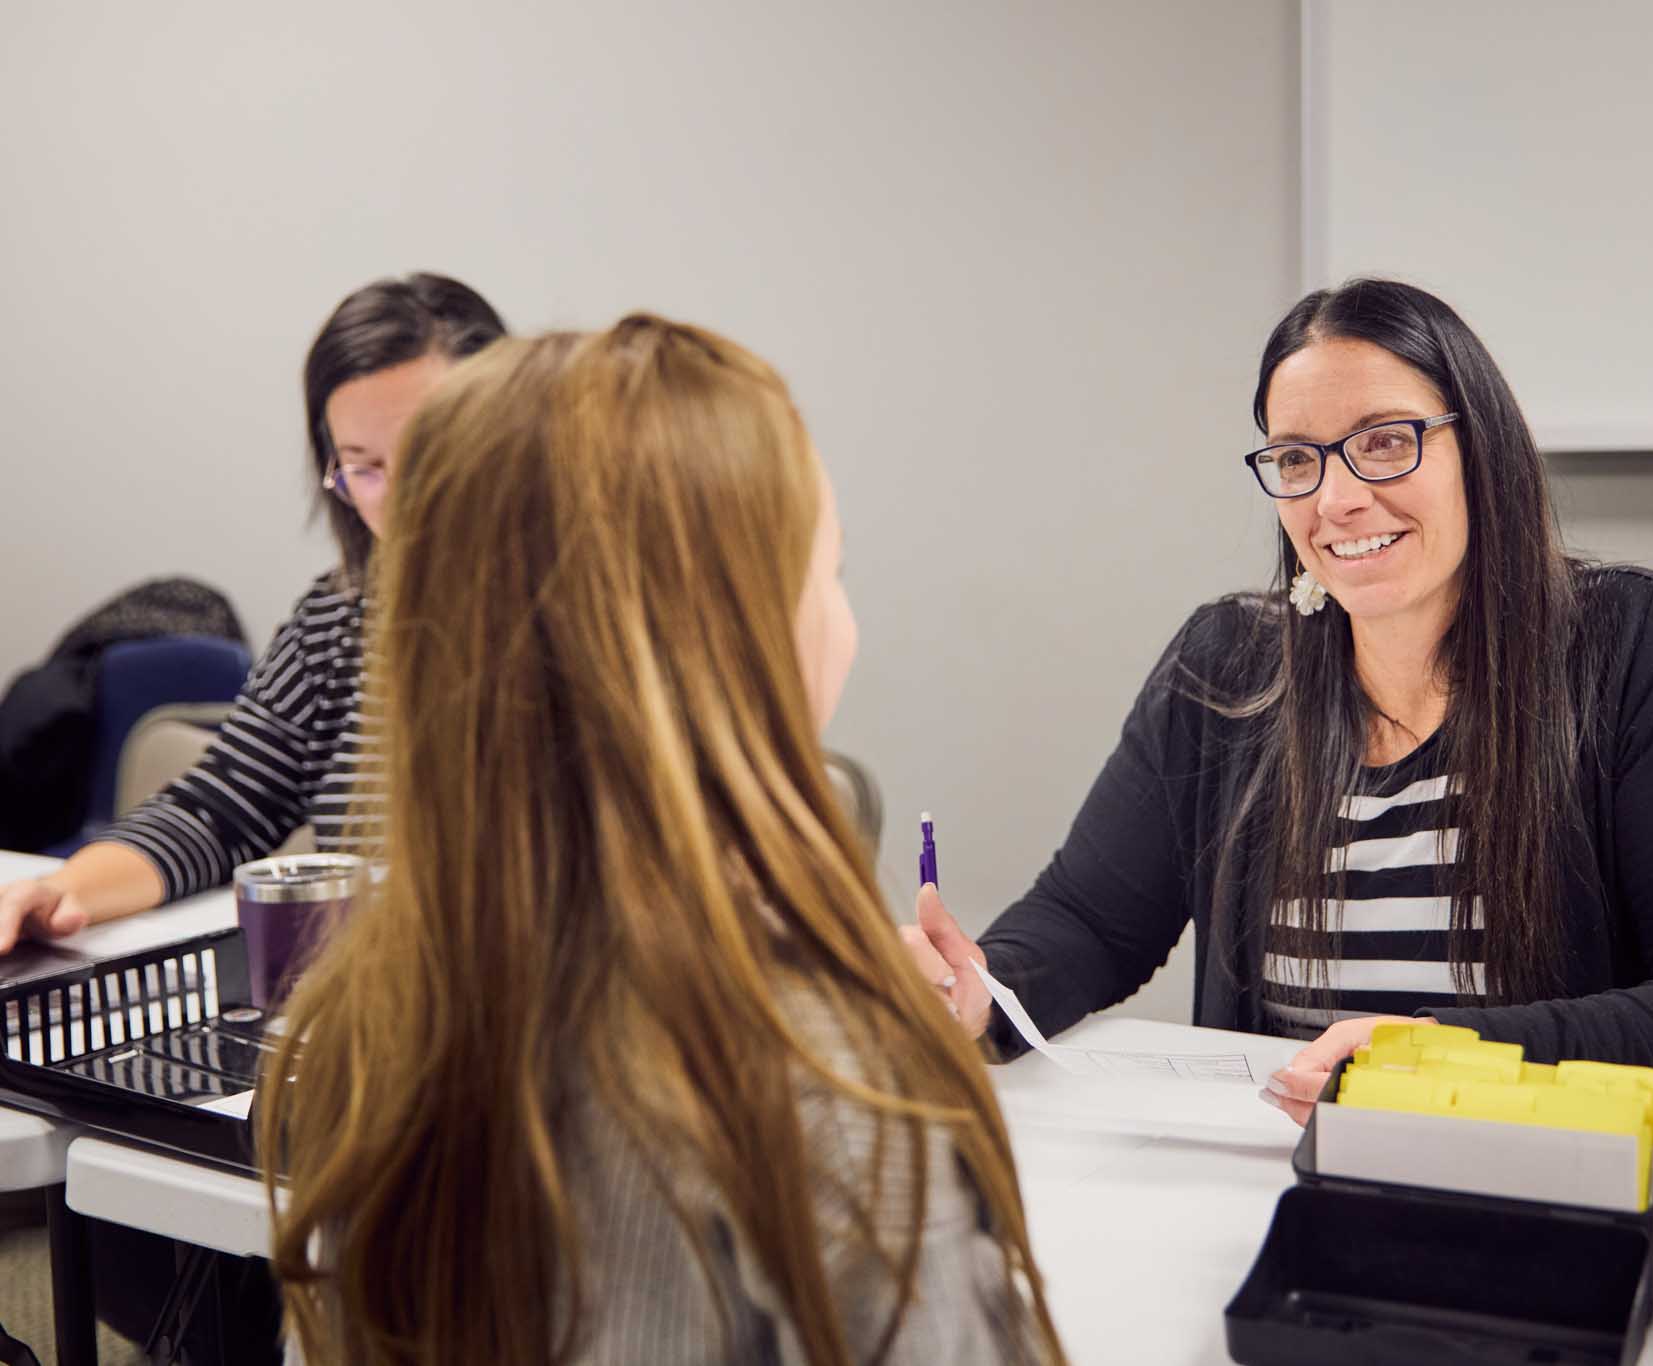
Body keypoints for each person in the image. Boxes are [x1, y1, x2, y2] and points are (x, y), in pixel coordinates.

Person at [259, 316, 1063, 1366]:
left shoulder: (364, 1021)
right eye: (831, 571)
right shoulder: (826, 1090)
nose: (846, 618)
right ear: (733, 637)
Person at [901, 278, 1653, 1122]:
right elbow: (1092, 920)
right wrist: (982, 990)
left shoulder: (1629, 643)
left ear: (1482, 451)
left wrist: (1441, 1060)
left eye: (1384, 442)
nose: (1337, 498)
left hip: (1539, 1187)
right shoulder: (1226, 665)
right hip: (1272, 1188)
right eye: (1297, 459)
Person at [0, 273, 505, 953]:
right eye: (363, 466)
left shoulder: (596, 617)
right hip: (381, 1003)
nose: (402, 498)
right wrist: (61, 894)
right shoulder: (337, 623)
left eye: (431, 455)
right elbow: (220, 809)